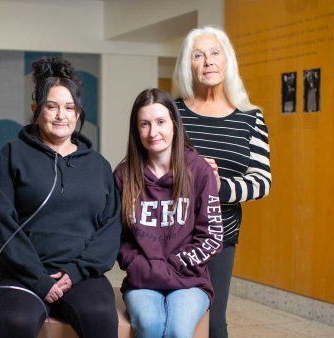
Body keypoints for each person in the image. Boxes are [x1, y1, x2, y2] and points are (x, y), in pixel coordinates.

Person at [0, 57, 121, 338]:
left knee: (99, 316)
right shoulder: (12, 155)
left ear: (78, 112)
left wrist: (76, 271)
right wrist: (38, 278)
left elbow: (111, 228)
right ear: (36, 110)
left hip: (80, 274)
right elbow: (2, 222)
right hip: (21, 274)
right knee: (16, 320)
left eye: (69, 107)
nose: (61, 115)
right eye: (52, 106)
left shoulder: (98, 166)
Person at [172, 26, 272, 338]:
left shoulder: (250, 118)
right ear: (188, 65)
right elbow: (150, 169)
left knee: (213, 323)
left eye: (215, 53)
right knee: (173, 319)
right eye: (198, 55)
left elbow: (262, 181)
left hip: (220, 235)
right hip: (171, 233)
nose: (208, 62)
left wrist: (219, 187)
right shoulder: (172, 113)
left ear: (227, 60)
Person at [114, 88, 224, 338]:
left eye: (160, 122)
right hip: (143, 279)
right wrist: (139, 265)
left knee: (177, 330)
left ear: (174, 124)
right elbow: (116, 237)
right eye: (145, 124)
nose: (153, 132)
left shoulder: (199, 170)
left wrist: (172, 265)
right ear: (136, 129)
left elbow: (213, 236)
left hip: (189, 280)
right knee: (150, 325)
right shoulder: (123, 176)